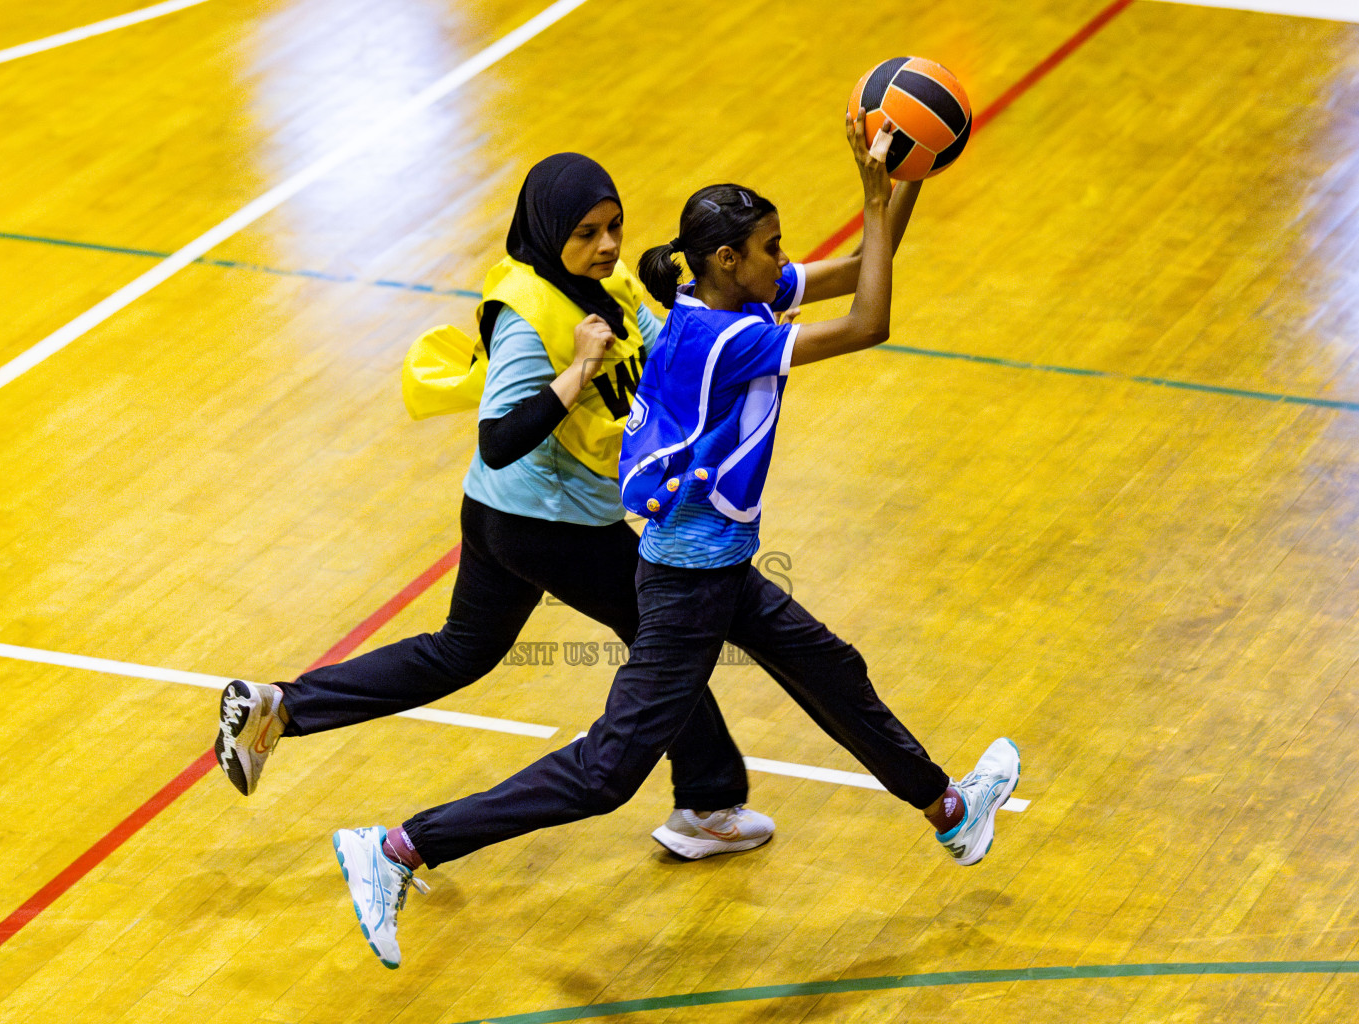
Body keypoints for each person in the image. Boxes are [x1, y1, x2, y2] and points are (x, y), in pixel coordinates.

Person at [330, 114, 1021, 970]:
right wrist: (876, 200)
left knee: (832, 670)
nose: (784, 260)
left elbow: (859, 271)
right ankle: (397, 848)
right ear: (730, 261)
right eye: (773, 248)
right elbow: (872, 319)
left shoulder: (722, 298)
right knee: (604, 773)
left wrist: (903, 174)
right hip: (689, 587)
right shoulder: (725, 340)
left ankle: (951, 814)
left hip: (722, 569)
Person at [214, 153, 776, 867]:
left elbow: (665, 350)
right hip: (548, 520)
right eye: (586, 233)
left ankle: (278, 709)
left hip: (504, 515)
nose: (606, 245)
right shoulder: (527, 312)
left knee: (461, 651)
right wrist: (577, 370)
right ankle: (708, 801)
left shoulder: (608, 283)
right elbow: (500, 436)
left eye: (613, 227)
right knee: (667, 639)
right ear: (547, 232)